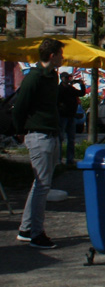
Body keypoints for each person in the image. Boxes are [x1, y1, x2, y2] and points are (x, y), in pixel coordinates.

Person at [12, 38, 64, 249]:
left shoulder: (52, 77)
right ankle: (36, 233)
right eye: (61, 54)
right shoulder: (34, 77)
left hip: (50, 133)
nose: (63, 58)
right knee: (42, 186)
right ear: (52, 56)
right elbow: (20, 106)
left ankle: (26, 229)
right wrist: (20, 131)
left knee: (40, 185)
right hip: (39, 135)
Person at [56, 72, 85, 166]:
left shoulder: (71, 89)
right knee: (60, 138)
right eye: (67, 77)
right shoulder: (59, 89)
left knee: (71, 139)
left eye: (69, 77)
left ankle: (70, 159)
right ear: (62, 78)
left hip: (71, 116)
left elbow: (81, 93)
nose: (68, 79)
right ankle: (58, 160)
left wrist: (82, 85)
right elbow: (56, 101)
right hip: (62, 116)